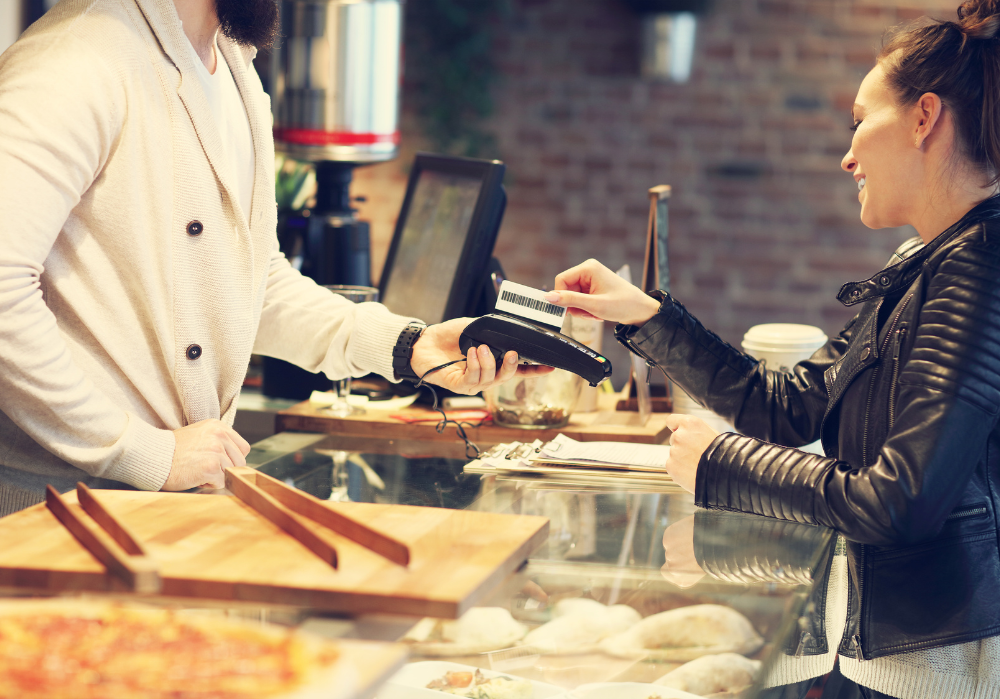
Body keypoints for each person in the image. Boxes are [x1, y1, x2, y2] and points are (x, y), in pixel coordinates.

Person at [546, 2, 1000, 697]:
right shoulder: (924, 261)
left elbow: (902, 501)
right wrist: (642, 315)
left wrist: (722, 466)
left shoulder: (976, 268)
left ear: (923, 118)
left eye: (859, 120)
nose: (848, 154)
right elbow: (788, 405)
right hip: (871, 659)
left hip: (921, 673)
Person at [0, 0, 545, 517]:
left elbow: (255, 284)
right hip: (56, 514)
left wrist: (409, 346)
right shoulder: (72, 62)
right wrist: (143, 450)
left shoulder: (235, 68)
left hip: (165, 509)